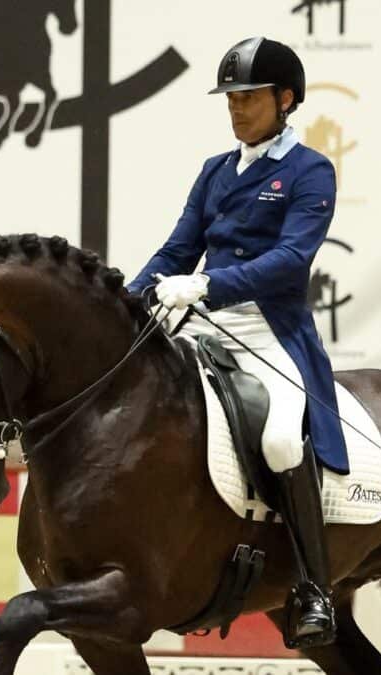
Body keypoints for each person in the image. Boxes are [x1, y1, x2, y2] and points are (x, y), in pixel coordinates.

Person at [125, 37, 347, 648]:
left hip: (268, 330)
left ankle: (313, 587)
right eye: (230, 98)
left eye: (248, 97)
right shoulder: (216, 171)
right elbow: (177, 248)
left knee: (278, 437)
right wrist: (129, 298)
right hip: (200, 320)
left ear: (285, 99)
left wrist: (207, 284)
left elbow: (290, 260)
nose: (236, 109)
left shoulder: (310, 171)